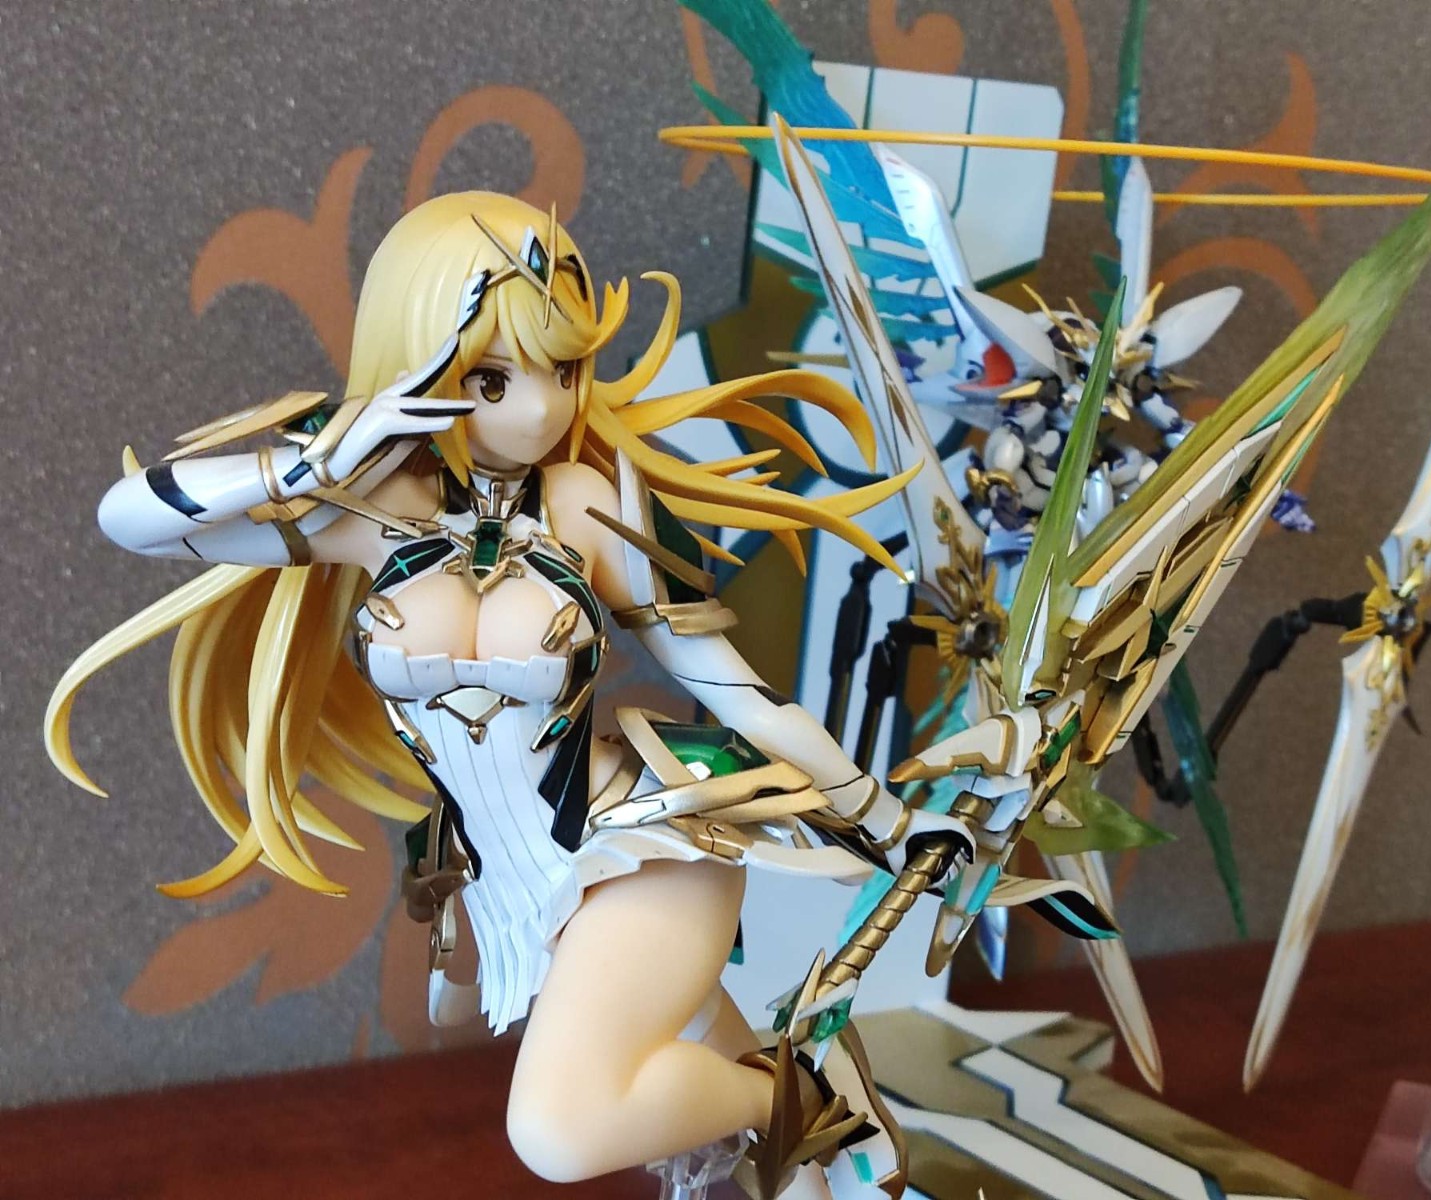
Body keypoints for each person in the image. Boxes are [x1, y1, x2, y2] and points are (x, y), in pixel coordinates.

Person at [46, 190, 978, 1199]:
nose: (540, 410)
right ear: (419, 363)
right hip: (508, 885)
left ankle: (798, 1096)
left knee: (558, 1131)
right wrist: (322, 457)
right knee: (708, 1113)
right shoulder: (367, 511)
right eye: (493, 377)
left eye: (563, 371)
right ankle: (790, 1125)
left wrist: (891, 820)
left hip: (641, 842)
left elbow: (738, 692)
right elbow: (131, 519)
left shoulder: (586, 504)